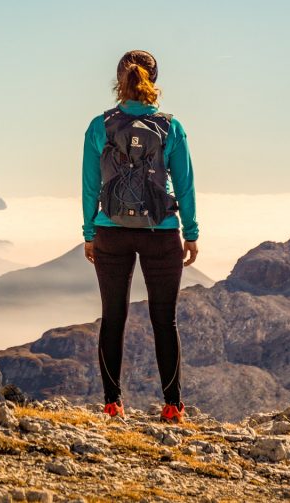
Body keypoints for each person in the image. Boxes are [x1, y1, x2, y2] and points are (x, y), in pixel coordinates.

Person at [80, 50, 199, 423]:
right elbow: (185, 184)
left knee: (112, 318)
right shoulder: (171, 127)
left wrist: (88, 231)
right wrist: (191, 233)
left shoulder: (100, 126)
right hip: (160, 232)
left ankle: (113, 404)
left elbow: (89, 184)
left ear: (120, 82)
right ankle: (172, 406)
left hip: (110, 232)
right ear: (154, 80)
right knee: (164, 320)